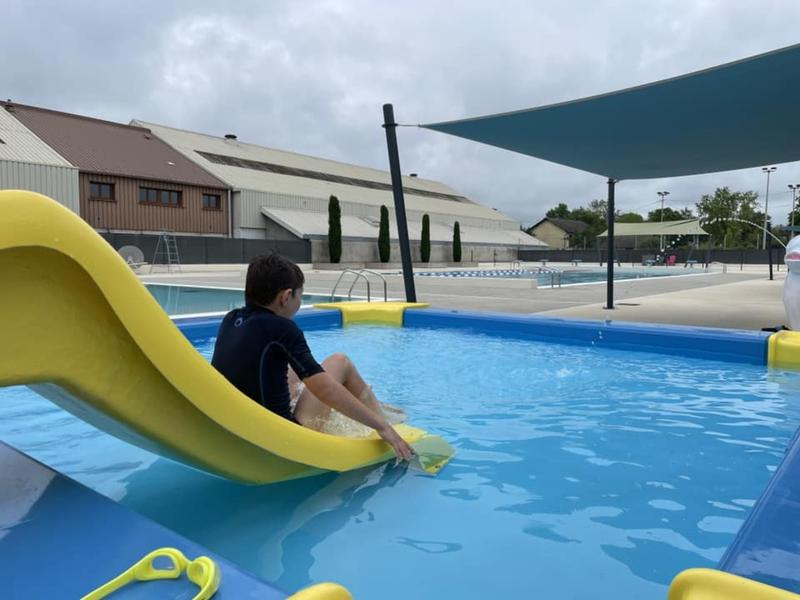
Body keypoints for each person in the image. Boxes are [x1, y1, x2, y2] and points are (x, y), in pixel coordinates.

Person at [211, 254, 413, 461]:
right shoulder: (283, 329)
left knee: (292, 370)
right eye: (300, 296)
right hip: (285, 437)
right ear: (286, 296)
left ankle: (371, 410)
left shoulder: (231, 319)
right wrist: (380, 426)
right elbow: (324, 389)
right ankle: (383, 418)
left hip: (242, 423)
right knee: (339, 362)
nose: (300, 302)